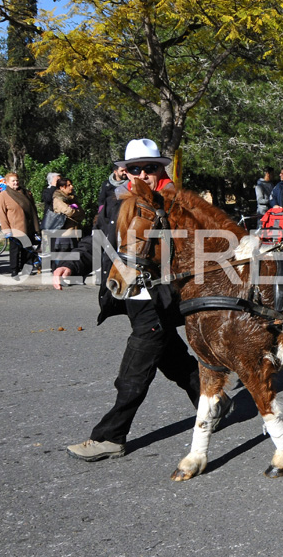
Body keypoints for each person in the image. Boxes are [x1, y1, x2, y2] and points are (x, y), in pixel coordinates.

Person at [52, 138, 229, 462]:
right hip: (130, 294)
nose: (143, 174)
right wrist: (72, 263)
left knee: (134, 370)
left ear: (160, 168)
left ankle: (110, 437)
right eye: (135, 168)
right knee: (171, 357)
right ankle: (215, 400)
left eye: (150, 168)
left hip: (158, 296)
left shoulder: (174, 202)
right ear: (125, 170)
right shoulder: (118, 198)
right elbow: (102, 240)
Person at [0, 172, 41, 276]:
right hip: (14, 227)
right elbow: (1, 213)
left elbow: (33, 209)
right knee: (15, 250)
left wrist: (36, 226)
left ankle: (26, 268)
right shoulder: (3, 195)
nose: (16, 183)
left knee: (27, 248)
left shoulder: (26, 193)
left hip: (28, 225)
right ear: (7, 183)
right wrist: (6, 229)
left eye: (17, 180)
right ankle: (14, 269)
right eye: (13, 181)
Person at [52, 177, 83, 253]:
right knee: (63, 258)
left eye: (71, 184)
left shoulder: (72, 199)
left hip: (74, 232)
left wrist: (77, 211)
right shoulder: (58, 199)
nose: (71, 186)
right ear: (62, 187)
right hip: (64, 234)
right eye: (69, 185)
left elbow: (82, 213)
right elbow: (69, 211)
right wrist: (77, 211)